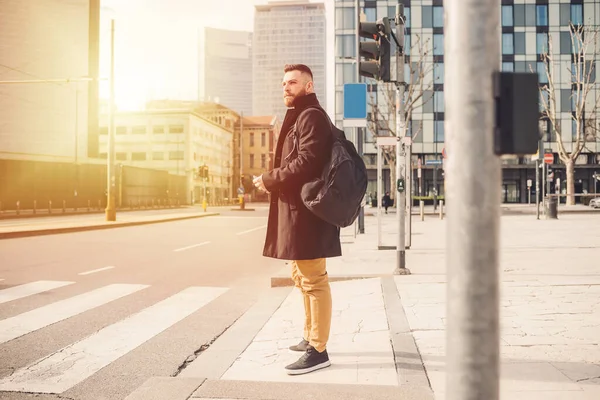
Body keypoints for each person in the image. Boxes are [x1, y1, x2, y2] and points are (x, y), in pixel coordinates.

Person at [253, 64, 341, 375]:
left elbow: (306, 162)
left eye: (292, 82)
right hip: (298, 213)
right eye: (284, 83)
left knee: (314, 280)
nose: (286, 88)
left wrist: (269, 179)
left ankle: (319, 349)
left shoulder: (311, 116)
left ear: (308, 85)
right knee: (301, 278)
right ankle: (309, 337)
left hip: (309, 214)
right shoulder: (301, 116)